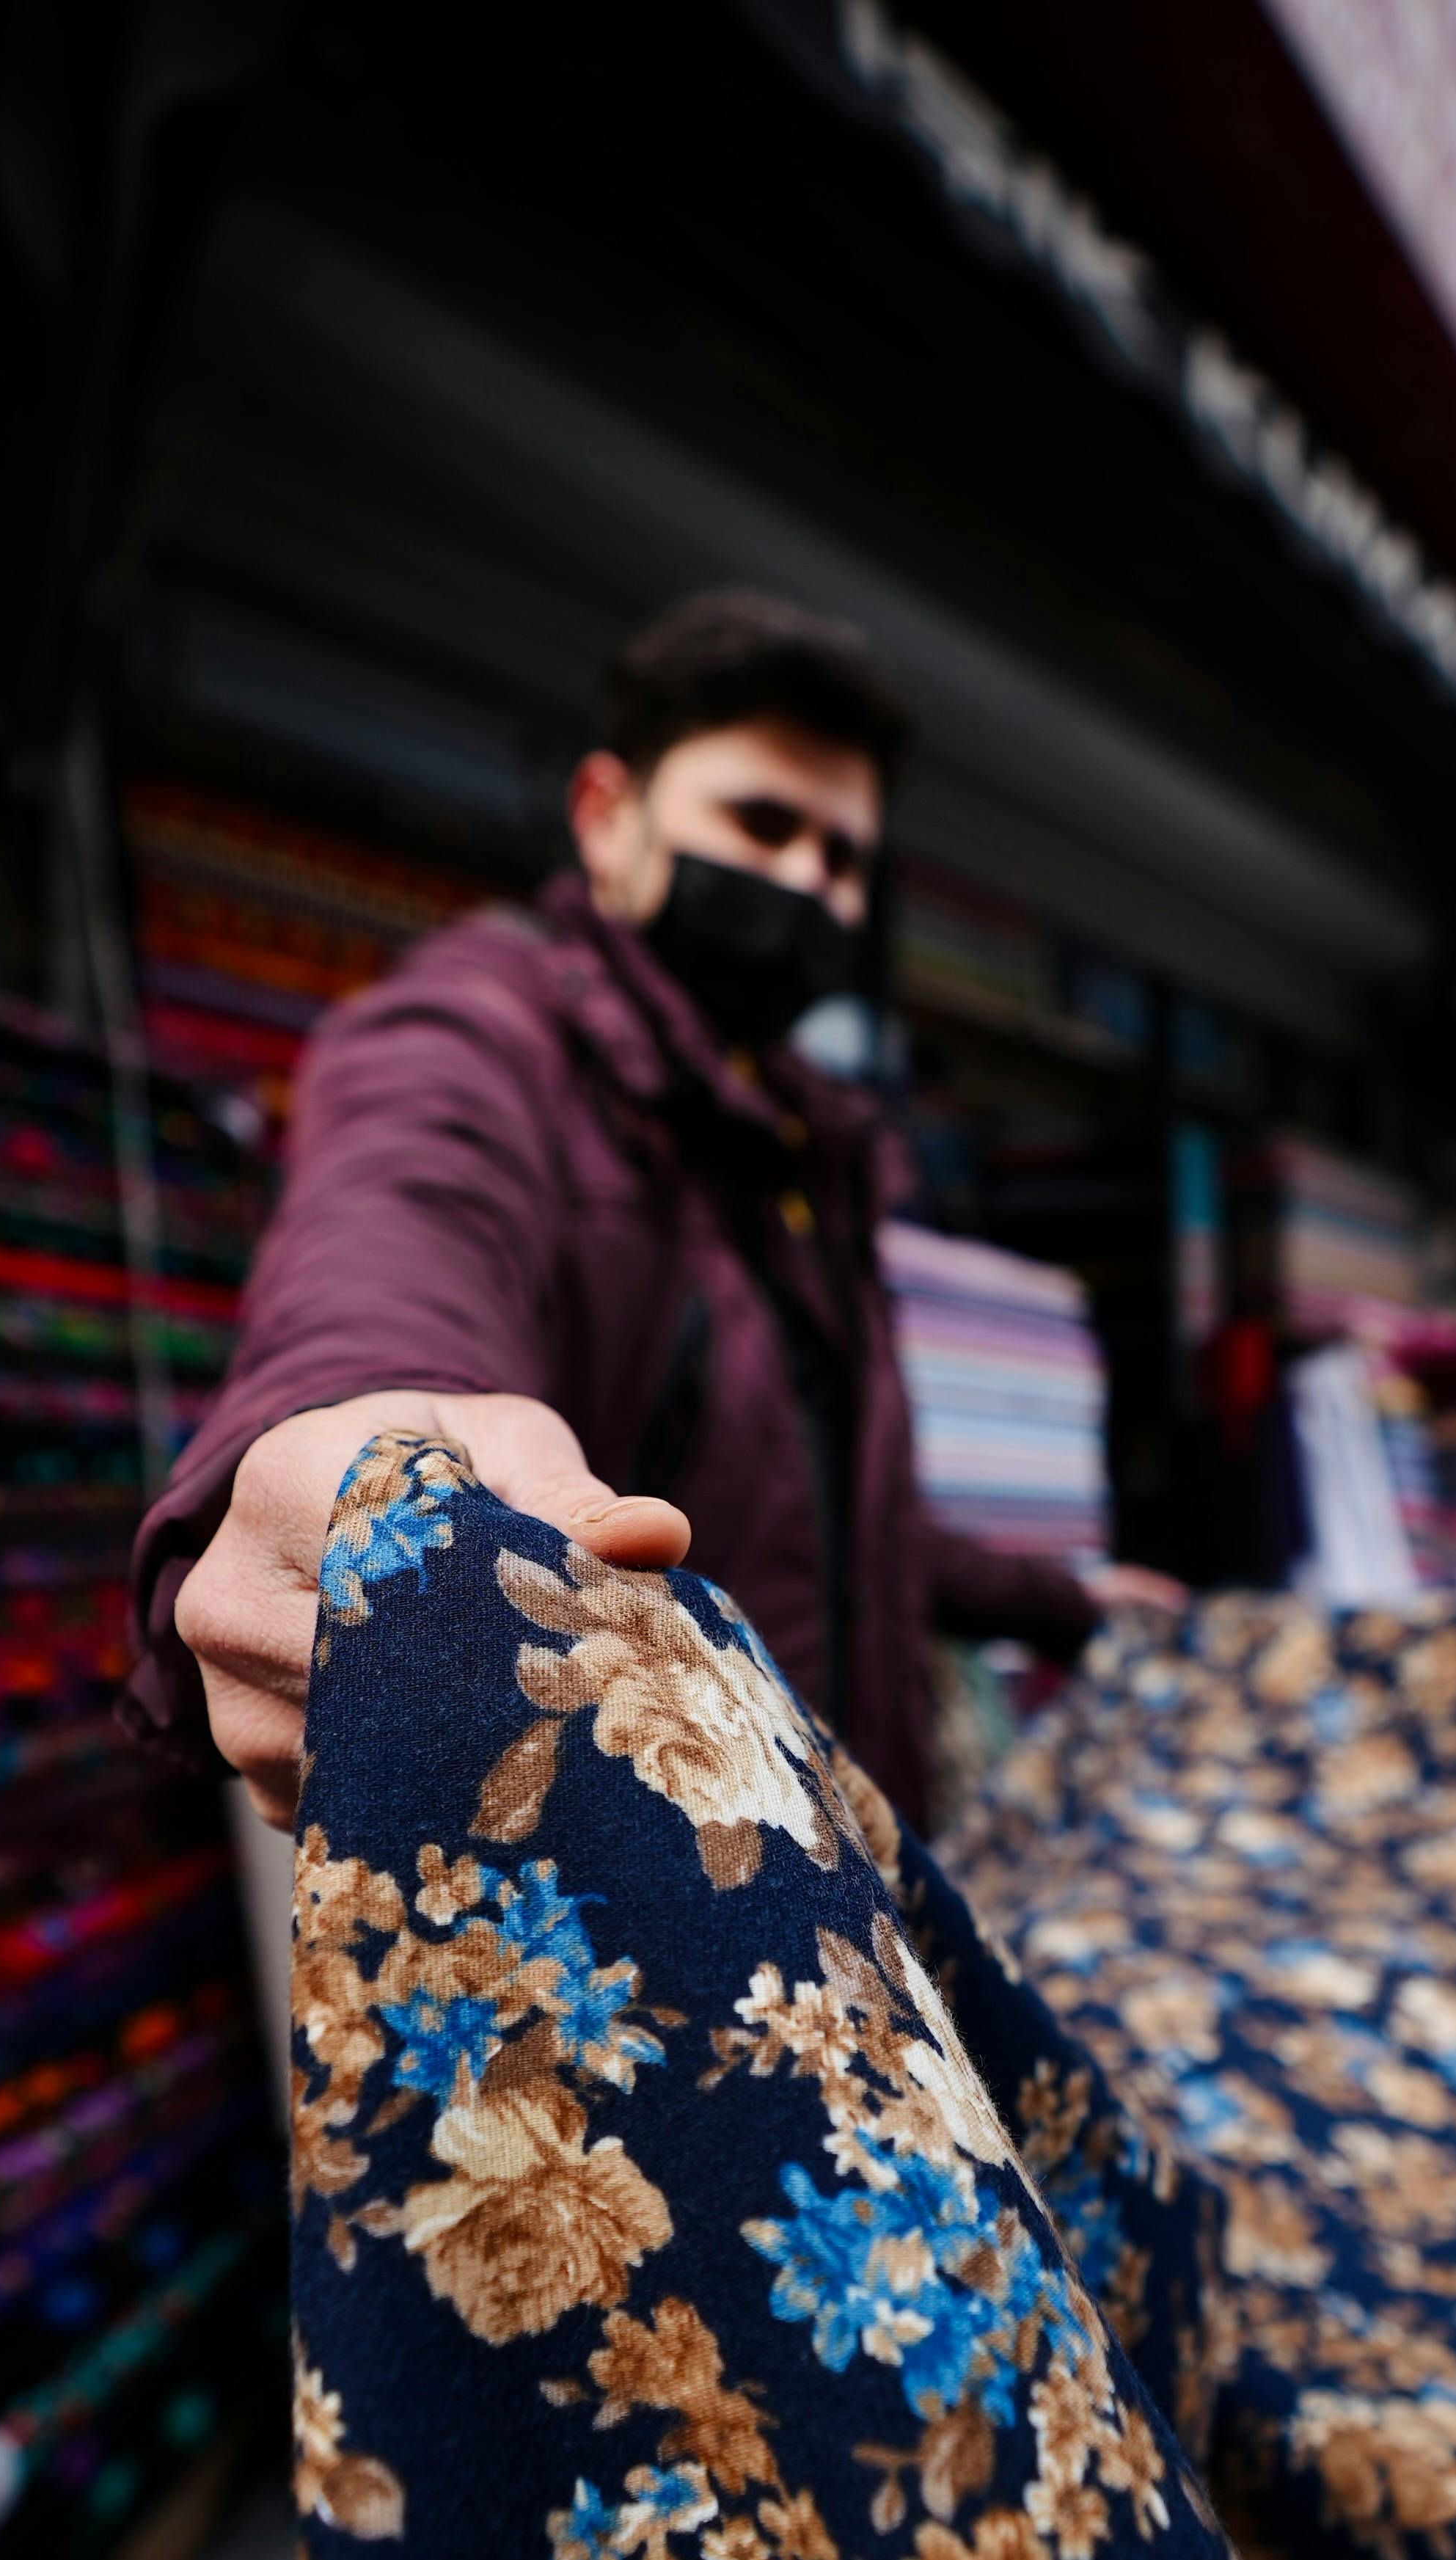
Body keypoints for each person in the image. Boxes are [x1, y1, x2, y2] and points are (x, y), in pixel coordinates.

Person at [122, 588, 1183, 1831]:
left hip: (845, 1835)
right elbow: (401, 1226)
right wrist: (372, 1422)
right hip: (647, 1854)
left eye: (842, 860)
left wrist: (1071, 1602)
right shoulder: (481, 1028)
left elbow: (845, 1518)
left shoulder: (810, 1147)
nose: (807, 882)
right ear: (608, 819)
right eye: (761, 823)